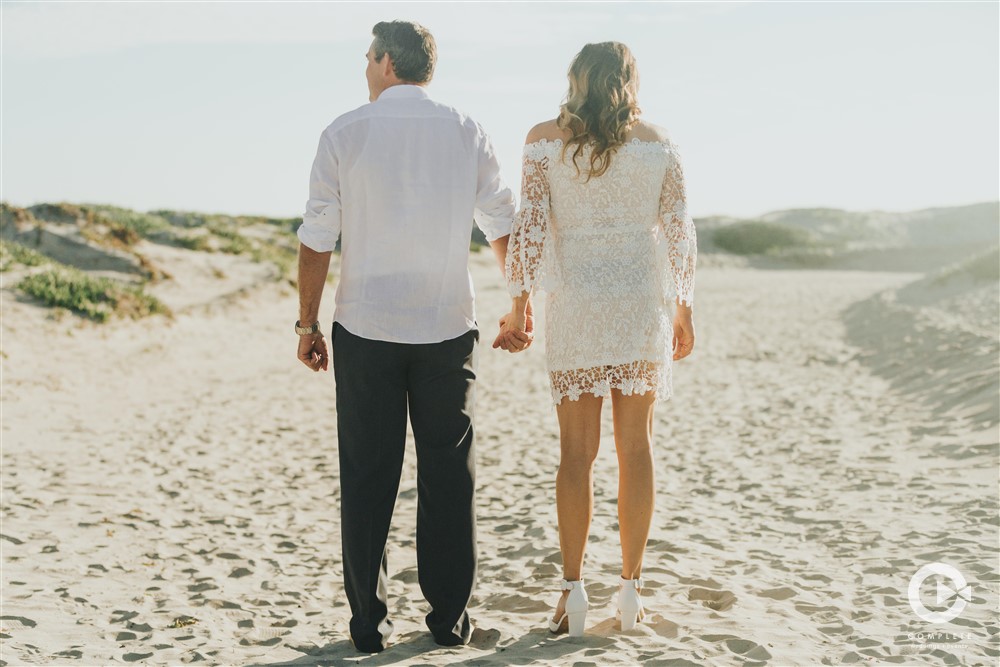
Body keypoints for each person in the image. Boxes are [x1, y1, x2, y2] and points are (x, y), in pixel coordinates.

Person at [295, 20, 521, 653]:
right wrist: (518, 305)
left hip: (366, 326)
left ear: (388, 62)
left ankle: (368, 625)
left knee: (368, 474)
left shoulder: (345, 132)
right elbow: (502, 221)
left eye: (368, 58)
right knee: (450, 473)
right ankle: (449, 620)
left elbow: (317, 237)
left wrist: (307, 323)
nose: (365, 69)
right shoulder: (466, 129)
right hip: (448, 325)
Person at [494, 41, 697, 637]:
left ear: (577, 79)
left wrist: (519, 307)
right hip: (640, 299)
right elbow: (680, 230)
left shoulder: (543, 139)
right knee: (637, 448)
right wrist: (685, 308)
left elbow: (529, 226)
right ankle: (631, 592)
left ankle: (573, 592)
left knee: (575, 454)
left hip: (577, 300)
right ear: (630, 81)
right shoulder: (659, 141)